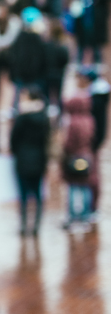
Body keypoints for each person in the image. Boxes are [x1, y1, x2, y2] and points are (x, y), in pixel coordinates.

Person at [10, 87, 49, 235]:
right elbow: (46, 140)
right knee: (38, 193)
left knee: (23, 194)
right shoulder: (43, 117)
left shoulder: (21, 118)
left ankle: (24, 224)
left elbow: (13, 140)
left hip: (22, 160)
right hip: (39, 160)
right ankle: (36, 226)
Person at [62, 93, 99, 230]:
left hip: (74, 157)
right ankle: (85, 216)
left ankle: (73, 216)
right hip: (87, 156)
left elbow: (69, 143)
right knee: (85, 186)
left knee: (73, 186)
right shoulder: (90, 120)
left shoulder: (73, 122)